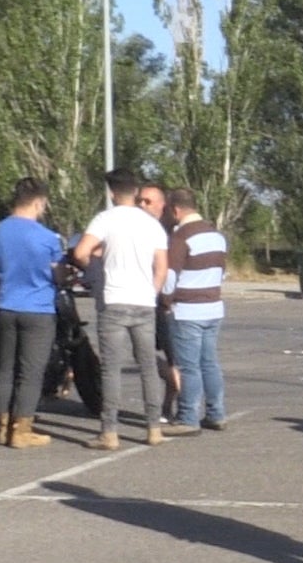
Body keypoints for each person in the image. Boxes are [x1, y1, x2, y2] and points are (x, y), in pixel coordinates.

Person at [73, 167, 170, 450]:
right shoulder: (151, 224)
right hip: (143, 301)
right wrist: (151, 292)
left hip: (114, 299)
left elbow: (80, 252)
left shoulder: (105, 219)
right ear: (136, 192)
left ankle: (110, 432)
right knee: (148, 366)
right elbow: (161, 267)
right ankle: (153, 428)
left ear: (112, 193)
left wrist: (92, 266)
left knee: (111, 369)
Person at [0, 177, 64, 449]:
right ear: (38, 202)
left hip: (8, 306)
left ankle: (2, 425)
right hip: (38, 309)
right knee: (31, 371)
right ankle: (22, 430)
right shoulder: (47, 237)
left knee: (6, 367)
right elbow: (58, 274)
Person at [159, 188, 228, 436]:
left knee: (188, 367)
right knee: (209, 363)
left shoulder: (180, 237)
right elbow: (223, 273)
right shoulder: (216, 236)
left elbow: (170, 277)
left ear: (175, 210)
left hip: (187, 310)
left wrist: (165, 300)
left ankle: (188, 417)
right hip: (213, 307)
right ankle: (216, 413)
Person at [138, 181, 182, 420]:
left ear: (162, 206)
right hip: (147, 305)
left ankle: (171, 407)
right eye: (140, 201)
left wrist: (162, 295)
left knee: (174, 360)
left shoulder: (165, 233)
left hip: (163, 305)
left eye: (147, 201)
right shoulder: (137, 227)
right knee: (144, 353)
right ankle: (168, 405)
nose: (142, 205)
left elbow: (169, 272)